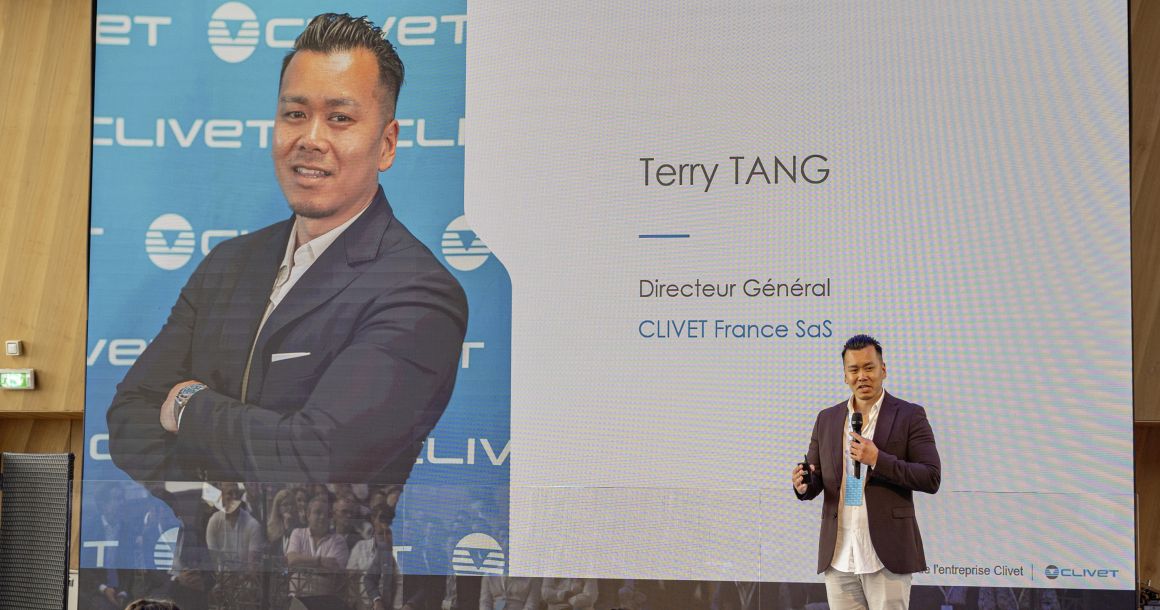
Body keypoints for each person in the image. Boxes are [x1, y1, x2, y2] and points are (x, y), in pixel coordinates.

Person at [105, 12, 468, 489]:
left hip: (325, 564)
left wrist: (189, 404)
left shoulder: (418, 291)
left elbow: (318, 458)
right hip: (201, 560)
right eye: (294, 114)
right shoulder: (227, 266)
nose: (310, 139)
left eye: (340, 118)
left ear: (386, 144)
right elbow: (131, 415)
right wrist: (213, 507)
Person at [792, 334, 941, 610]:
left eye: (869, 367)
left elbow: (931, 476)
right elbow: (817, 478)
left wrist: (878, 459)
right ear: (845, 376)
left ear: (883, 370)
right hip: (839, 555)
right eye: (854, 369)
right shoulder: (827, 419)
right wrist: (804, 484)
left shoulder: (909, 415)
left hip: (886, 554)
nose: (862, 376)